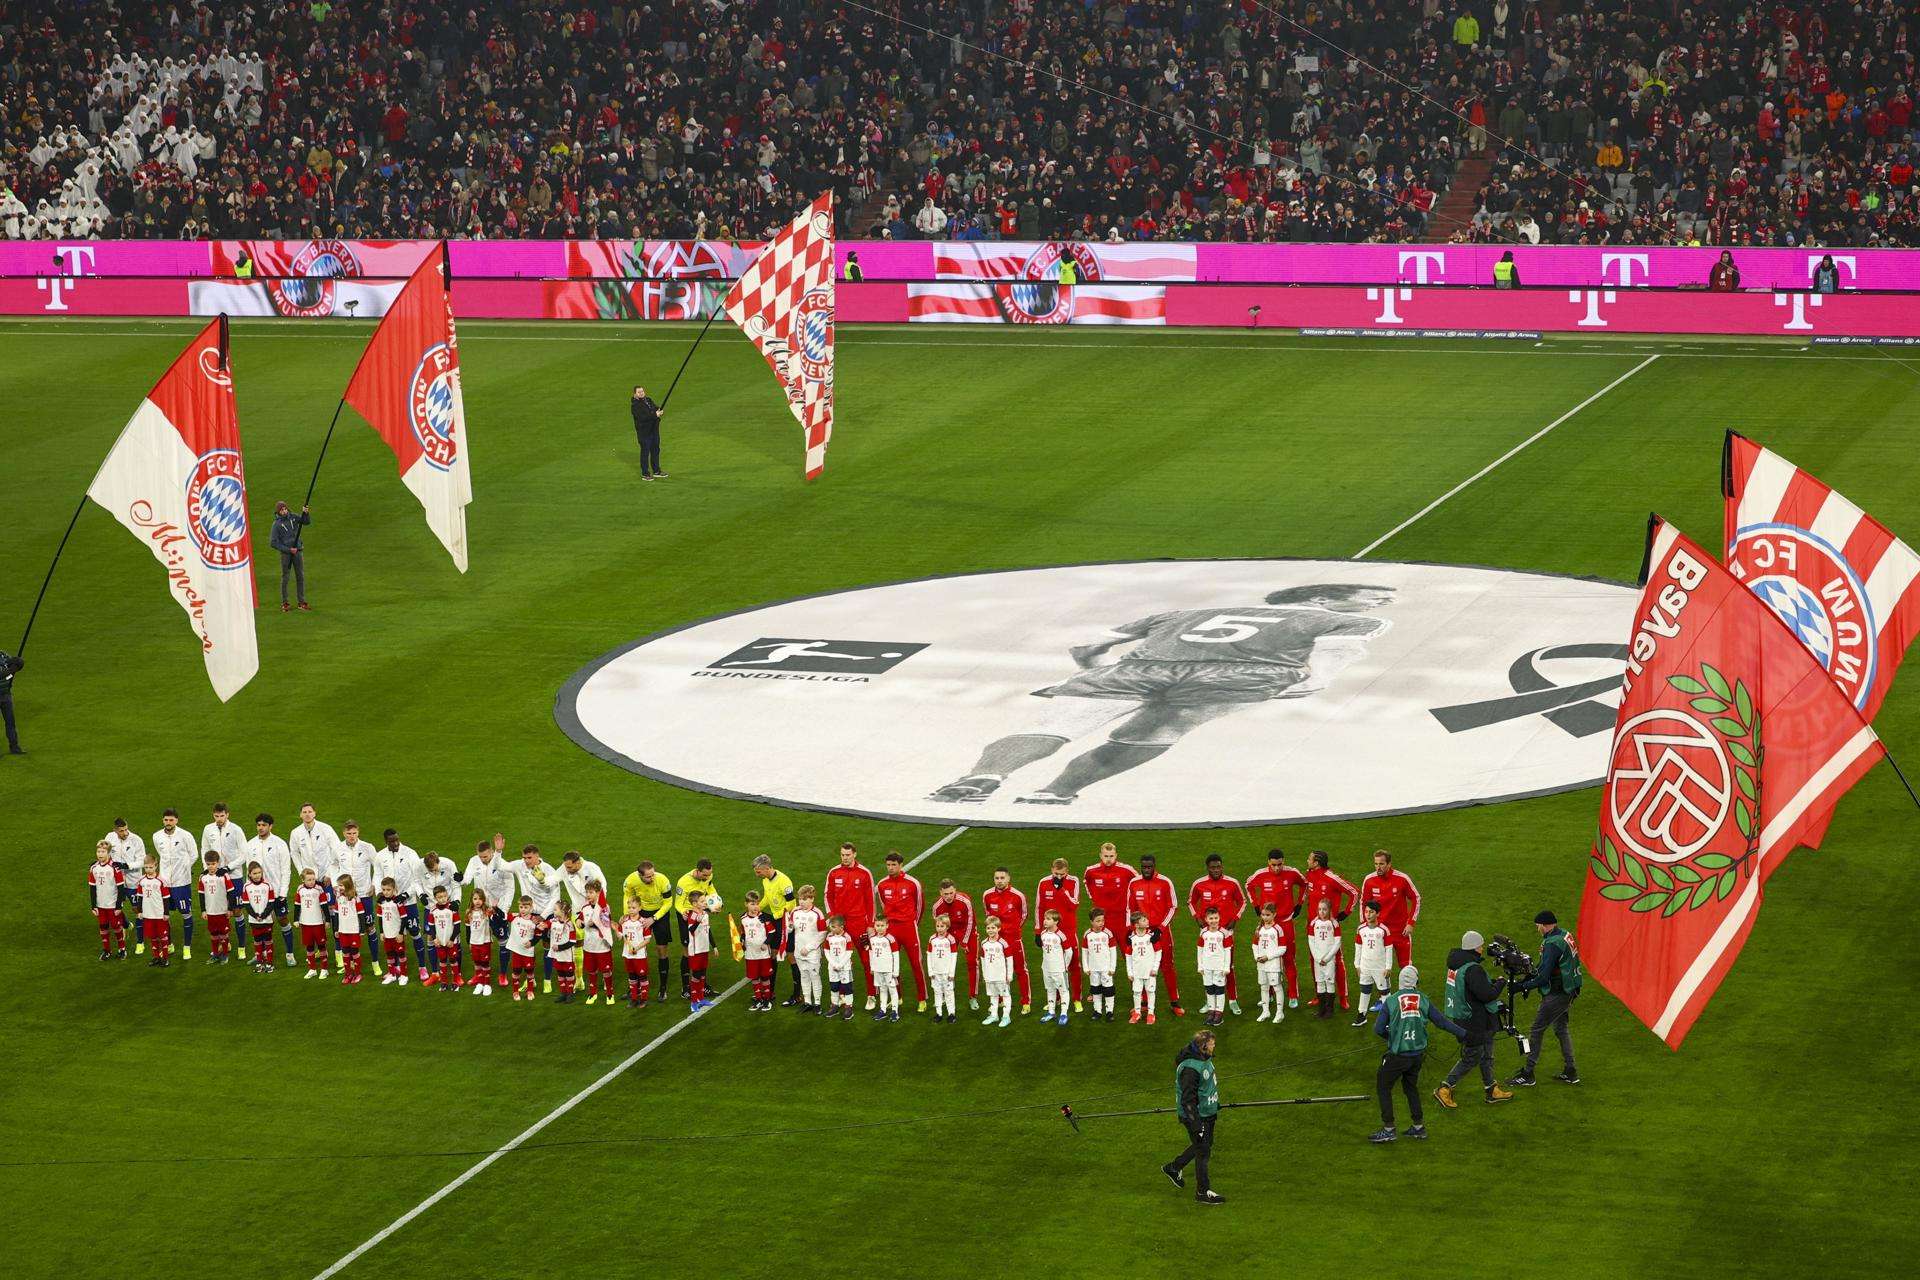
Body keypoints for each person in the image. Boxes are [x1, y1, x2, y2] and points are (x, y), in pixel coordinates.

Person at [927, 584, 1392, 806]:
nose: (1376, 606)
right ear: (1326, 599)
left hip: (1138, 669)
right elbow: (1332, 659)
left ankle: (985, 777)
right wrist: (1306, 683)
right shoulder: (1339, 620)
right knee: (1159, 729)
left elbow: (1089, 647)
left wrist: (1095, 673)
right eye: (1370, 599)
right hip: (1245, 675)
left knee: (1054, 726)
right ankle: (1056, 792)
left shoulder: (1185, 610)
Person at [1370, 965, 1464, 1143]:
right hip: (1417, 1056)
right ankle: (1418, 1126)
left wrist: (1391, 1037)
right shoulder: (1423, 999)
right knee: (1410, 1088)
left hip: (1398, 1056)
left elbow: (1378, 1028)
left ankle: (1389, 1128)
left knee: (1383, 1086)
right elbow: (1442, 1022)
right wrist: (1464, 1034)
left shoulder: (1391, 1001)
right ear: (1415, 982)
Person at [1437, 930, 1514, 1107]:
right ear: (1474, 948)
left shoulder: (1455, 965)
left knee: (1487, 1054)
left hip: (1463, 1017)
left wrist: (1489, 983)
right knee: (1472, 1056)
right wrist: (1501, 983)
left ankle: (1491, 1089)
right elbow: (1487, 995)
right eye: (1480, 945)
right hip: (1474, 1020)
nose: (1482, 948)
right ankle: (1444, 1088)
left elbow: (1471, 989)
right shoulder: (1473, 969)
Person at [1511, 909, 1582, 1087]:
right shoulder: (1565, 934)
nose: (1537, 929)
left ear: (1543, 925)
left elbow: (1543, 977)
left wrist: (1521, 986)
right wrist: (1529, 978)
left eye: (1538, 926)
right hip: (1570, 989)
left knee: (1536, 1030)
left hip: (1558, 993)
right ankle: (1571, 1071)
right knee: (1561, 1028)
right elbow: (1546, 968)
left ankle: (1528, 1073)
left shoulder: (1552, 944)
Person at [1163, 1029, 1226, 1205]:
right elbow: (1188, 1100)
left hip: (1207, 1113)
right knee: (1203, 1151)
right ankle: (1202, 1192)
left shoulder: (1203, 1058)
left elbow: (1205, 1088)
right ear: (1203, 1046)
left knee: (1204, 1145)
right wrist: (1197, 1125)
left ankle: (1173, 1168)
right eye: (1212, 1043)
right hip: (1196, 1117)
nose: (1214, 1046)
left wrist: (1213, 1104)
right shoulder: (1190, 1068)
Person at [1246, 850, 1307, 1007]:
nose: (1277, 868)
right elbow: (1248, 885)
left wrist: (1299, 904)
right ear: (1268, 862)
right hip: (1266, 924)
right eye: (1273, 865)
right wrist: (1255, 905)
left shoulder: (1292, 873)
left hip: (1285, 922)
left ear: (1283, 861)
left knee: (1288, 959)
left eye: (1280, 864)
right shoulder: (1260, 874)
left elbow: (1305, 884)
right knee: (1266, 958)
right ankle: (1270, 994)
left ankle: (1293, 994)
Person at [1188, 854, 1246, 1014]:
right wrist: (1197, 918)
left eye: (1218, 867)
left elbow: (1242, 902)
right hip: (1207, 933)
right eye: (1212, 867)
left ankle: (1233, 1000)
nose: (1216, 870)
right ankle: (1210, 1001)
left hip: (1226, 933)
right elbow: (1190, 902)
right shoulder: (1199, 884)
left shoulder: (1232, 883)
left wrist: (1235, 919)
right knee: (1207, 967)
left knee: (1228, 966)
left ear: (1222, 866)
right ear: (1207, 868)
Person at [1126, 854, 1183, 1016]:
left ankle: (1174, 1001)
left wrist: (1161, 928)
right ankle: (1144, 1002)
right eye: (1144, 867)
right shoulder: (1134, 883)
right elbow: (1129, 909)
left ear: (1154, 866)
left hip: (1161, 933)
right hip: (1140, 934)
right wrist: (1131, 930)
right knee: (1141, 966)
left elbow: (1173, 907)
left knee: (1167, 966)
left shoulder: (1165, 882)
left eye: (1149, 867)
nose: (1146, 870)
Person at [824, 843, 877, 1005]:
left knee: (867, 960)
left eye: (848, 855)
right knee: (839, 959)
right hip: (840, 925)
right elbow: (828, 896)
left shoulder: (864, 873)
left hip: (859, 923)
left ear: (854, 854)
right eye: (842, 855)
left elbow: (871, 900)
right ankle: (841, 995)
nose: (845, 858)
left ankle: (871, 995)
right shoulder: (834, 873)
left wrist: (871, 924)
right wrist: (833, 919)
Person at [1305, 851, 1357, 1007]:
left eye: (1309, 858)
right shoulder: (1309, 875)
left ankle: (1343, 998)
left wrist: (1346, 912)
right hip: (1312, 927)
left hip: (1330, 929)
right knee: (1315, 959)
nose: (1307, 860)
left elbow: (1354, 892)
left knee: (1337, 961)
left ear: (1316, 862)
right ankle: (1319, 995)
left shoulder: (1332, 878)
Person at [877, 851, 927, 1010]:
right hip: (891, 929)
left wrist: (913, 924)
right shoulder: (882, 884)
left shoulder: (913, 883)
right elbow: (883, 906)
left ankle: (922, 999)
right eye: (888, 865)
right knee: (891, 965)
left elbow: (920, 906)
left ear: (901, 865)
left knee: (916, 963)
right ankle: (897, 997)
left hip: (909, 928)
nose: (890, 868)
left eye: (893, 865)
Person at [245, 813, 296, 966]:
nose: (260, 828)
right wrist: (249, 890)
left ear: (270, 826)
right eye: (259, 825)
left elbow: (286, 870)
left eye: (264, 825)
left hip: (276, 891)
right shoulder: (251, 844)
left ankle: (290, 954)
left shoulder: (279, 844)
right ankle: (259, 954)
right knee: (258, 922)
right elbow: (249, 869)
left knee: (282, 920)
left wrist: (283, 892)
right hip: (258, 893)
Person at [621, 859, 676, 999]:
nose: (652, 878)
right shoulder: (631, 880)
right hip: (642, 912)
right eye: (648, 876)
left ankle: (663, 988)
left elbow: (668, 902)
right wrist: (627, 913)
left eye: (653, 874)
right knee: (634, 947)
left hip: (660, 914)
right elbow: (627, 895)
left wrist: (654, 918)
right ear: (640, 876)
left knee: (661, 949)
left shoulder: (663, 880)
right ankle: (635, 986)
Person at [750, 854, 799, 1004]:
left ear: (767, 868)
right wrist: (759, 907)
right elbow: (767, 897)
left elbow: (791, 903)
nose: (757, 874)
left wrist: (775, 916)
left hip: (787, 922)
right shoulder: (766, 880)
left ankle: (797, 995)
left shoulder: (784, 881)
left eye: (758, 872)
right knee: (773, 954)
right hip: (777, 920)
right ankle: (770, 991)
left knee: (791, 956)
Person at [1034, 859, 1083, 1010]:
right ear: (1051, 870)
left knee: (1073, 964)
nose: (1059, 877)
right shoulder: (1043, 883)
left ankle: (1076, 999)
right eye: (1056, 874)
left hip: (1068, 930)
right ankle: (1055, 999)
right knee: (1051, 965)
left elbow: (1074, 905)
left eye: (1062, 874)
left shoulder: (1074, 881)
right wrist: (1038, 931)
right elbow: (1039, 908)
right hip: (1049, 933)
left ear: (1067, 872)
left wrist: (1061, 890)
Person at [1358, 850, 1420, 968]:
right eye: (1376, 864)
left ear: (1389, 864)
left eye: (1381, 864)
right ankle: (1384, 987)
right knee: (1381, 967)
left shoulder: (1402, 879)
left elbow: (1416, 898)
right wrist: (1365, 924)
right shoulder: (1369, 880)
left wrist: (1411, 923)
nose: (1378, 867)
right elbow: (1363, 903)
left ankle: (1410, 986)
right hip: (1380, 931)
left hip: (1401, 931)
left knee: (1406, 966)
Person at [982, 868, 1032, 1014]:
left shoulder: (1018, 896)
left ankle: (1026, 1001)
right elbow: (988, 916)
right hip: (996, 941)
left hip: (1013, 939)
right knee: (997, 969)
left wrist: (1013, 930)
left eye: (1002, 878)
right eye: (997, 878)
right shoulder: (987, 895)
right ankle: (1000, 1000)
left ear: (1008, 878)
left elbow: (1024, 915)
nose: (999, 881)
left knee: (1021, 969)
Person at [152, 808, 199, 961]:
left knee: (186, 913)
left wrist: (185, 869)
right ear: (162, 820)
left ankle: (187, 948)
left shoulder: (185, 835)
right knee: (164, 915)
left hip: (182, 883)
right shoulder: (157, 836)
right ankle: (169, 944)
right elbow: (161, 854)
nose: (168, 823)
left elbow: (194, 854)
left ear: (177, 820)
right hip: (164, 882)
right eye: (166, 820)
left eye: (171, 820)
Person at [674, 857, 719, 999]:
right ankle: (686, 988)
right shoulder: (683, 882)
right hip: (687, 916)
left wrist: (716, 902)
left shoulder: (708, 876)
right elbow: (678, 903)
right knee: (688, 950)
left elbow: (711, 888)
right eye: (704, 875)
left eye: (709, 874)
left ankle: (703, 986)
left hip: (701, 911)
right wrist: (683, 913)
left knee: (703, 948)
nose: (707, 877)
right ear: (697, 871)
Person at [930, 879, 978, 1010]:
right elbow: (938, 925)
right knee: (943, 964)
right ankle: (944, 995)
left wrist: (965, 941)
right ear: (941, 892)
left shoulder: (965, 901)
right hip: (949, 934)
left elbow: (971, 922)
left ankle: (973, 996)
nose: (949, 896)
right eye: (945, 894)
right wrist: (944, 940)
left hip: (966, 932)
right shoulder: (937, 906)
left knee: (972, 963)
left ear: (955, 890)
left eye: (951, 893)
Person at [1352, 903, 1393, 1025]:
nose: (1368, 915)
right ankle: (1361, 1015)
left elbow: (1389, 948)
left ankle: (1389, 1019)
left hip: (1380, 968)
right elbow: (1358, 947)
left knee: (1384, 992)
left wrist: (1388, 967)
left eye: (1371, 912)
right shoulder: (1360, 929)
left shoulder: (1383, 930)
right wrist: (1357, 965)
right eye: (1366, 912)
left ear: (1378, 913)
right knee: (1365, 990)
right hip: (1365, 967)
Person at [789, 886, 828, 1013]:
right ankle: (807, 1002)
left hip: (812, 953)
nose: (801, 902)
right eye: (800, 899)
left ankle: (817, 1003)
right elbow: (790, 928)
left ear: (812, 899)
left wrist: (809, 947)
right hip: (798, 951)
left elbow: (822, 934)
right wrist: (788, 926)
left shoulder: (817, 913)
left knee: (814, 976)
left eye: (804, 899)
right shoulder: (795, 911)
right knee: (804, 976)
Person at [269, 501, 312, 612]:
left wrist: (305, 513)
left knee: (300, 576)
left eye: (285, 509)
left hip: (298, 551)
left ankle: (301, 602)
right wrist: (288, 550)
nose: (284, 511)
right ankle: (285, 603)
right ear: (278, 512)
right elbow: (273, 543)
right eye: (282, 510)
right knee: (286, 578)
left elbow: (306, 522)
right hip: (286, 555)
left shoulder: (293, 517)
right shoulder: (276, 525)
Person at [87, 842, 128, 959]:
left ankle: (122, 949)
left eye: (103, 852)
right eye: (98, 851)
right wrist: (93, 905)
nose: (100, 854)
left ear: (109, 853)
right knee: (103, 927)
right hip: (100, 905)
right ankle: (106, 950)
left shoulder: (114, 868)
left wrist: (119, 906)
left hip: (112, 905)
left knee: (116, 927)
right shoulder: (93, 868)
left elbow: (121, 888)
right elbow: (92, 887)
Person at [737, 890, 777, 1011]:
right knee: (754, 978)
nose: (755, 906)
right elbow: (743, 932)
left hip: (763, 953)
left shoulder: (763, 918)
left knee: (765, 977)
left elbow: (772, 932)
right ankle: (759, 999)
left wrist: (766, 943)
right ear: (746, 904)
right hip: (750, 954)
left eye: (756, 904)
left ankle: (767, 1000)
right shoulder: (743, 918)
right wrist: (742, 940)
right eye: (752, 904)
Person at [1036, 909, 1075, 1025]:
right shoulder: (1043, 934)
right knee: (1050, 989)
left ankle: (1063, 1014)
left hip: (1058, 969)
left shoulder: (1060, 935)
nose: (1045, 921)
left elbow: (1069, 952)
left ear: (1056, 921)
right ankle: (1051, 1012)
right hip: (1046, 968)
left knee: (1063, 991)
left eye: (1048, 919)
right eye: (1045, 918)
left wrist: (1065, 966)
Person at [292, 868, 331, 979]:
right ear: (303, 880)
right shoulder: (300, 889)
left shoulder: (319, 889)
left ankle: (324, 969)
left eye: (313, 879)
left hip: (318, 922)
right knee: (309, 947)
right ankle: (312, 969)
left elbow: (324, 906)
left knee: (321, 946)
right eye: (309, 879)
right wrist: (296, 919)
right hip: (305, 923)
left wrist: (327, 920)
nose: (311, 881)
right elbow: (297, 905)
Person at [1196, 907, 1232, 1026]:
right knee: (1209, 989)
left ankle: (1219, 1013)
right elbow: (1200, 950)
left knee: (1219, 989)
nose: (1213, 920)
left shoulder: (1224, 933)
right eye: (1211, 918)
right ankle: (1211, 1011)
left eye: (1216, 918)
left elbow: (1227, 951)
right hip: (1206, 967)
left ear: (1219, 918)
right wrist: (1200, 966)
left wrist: (1226, 967)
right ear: (1206, 919)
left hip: (1219, 967)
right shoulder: (1203, 932)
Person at [1306, 899, 1343, 1017]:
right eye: (1320, 909)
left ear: (1329, 910)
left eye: (1324, 909)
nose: (1321, 912)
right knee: (1320, 982)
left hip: (1329, 959)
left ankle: (1329, 1010)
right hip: (1318, 959)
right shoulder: (1313, 923)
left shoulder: (1334, 923)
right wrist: (1317, 958)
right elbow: (1311, 941)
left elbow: (1337, 942)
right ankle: (1321, 1010)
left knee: (1330, 982)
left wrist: (1327, 958)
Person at [1126, 911, 1164, 1024]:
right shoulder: (1131, 938)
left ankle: (1151, 1013)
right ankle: (1137, 1012)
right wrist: (1130, 971)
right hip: (1137, 971)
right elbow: (1128, 955)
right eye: (1144, 920)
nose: (1147, 921)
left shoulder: (1151, 937)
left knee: (1150, 991)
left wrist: (1155, 968)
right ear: (1136, 925)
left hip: (1149, 971)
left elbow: (1159, 952)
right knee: (1137, 992)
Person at [1251, 902, 1286, 1023]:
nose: (1265, 917)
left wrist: (1268, 957)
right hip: (1261, 964)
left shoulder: (1278, 929)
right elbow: (1254, 945)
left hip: (1273, 964)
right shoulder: (1259, 929)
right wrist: (1257, 957)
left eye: (1268, 915)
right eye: (1263, 915)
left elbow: (1283, 948)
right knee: (1264, 987)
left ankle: (1279, 1012)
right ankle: (1265, 1011)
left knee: (1276, 987)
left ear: (1274, 915)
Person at [580, 884, 615, 1004]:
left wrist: (592, 924)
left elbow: (606, 923)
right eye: (587, 892)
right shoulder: (584, 908)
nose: (588, 895)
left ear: (598, 893)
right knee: (591, 970)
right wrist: (579, 921)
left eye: (591, 892)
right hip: (589, 945)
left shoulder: (604, 907)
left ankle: (610, 994)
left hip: (602, 946)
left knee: (606, 971)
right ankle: (592, 993)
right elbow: (580, 919)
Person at [1082, 908, 1118, 1023]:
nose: (1101, 923)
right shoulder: (1087, 934)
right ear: (1091, 921)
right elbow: (1084, 952)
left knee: (1108, 990)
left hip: (1106, 968)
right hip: (1093, 968)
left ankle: (1109, 1011)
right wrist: (1086, 967)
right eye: (1098, 921)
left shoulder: (1108, 933)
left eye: (1102, 920)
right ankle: (1097, 1011)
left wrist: (1112, 967)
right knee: (1095, 990)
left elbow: (1113, 951)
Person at [240, 863, 278, 971]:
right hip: (254, 920)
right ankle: (259, 962)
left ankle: (270, 963)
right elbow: (246, 904)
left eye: (259, 873)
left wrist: (264, 915)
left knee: (268, 940)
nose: (257, 875)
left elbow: (271, 902)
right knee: (257, 941)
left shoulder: (267, 885)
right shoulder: (246, 886)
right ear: (250, 874)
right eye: (254, 873)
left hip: (267, 919)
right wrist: (255, 916)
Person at [200, 853, 237, 965]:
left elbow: (231, 892)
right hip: (210, 911)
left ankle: (225, 955)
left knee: (223, 934)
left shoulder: (223, 875)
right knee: (213, 934)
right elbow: (201, 894)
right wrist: (203, 910)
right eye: (208, 864)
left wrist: (230, 909)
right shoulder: (203, 877)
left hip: (222, 910)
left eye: (213, 864)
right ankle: (215, 954)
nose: (211, 866)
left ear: (218, 863)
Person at [978, 916, 1015, 1027]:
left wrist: (1009, 975)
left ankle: (1006, 1016)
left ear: (998, 928)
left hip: (1001, 976)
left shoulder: (1003, 943)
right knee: (993, 996)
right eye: (988, 928)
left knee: (1005, 995)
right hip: (990, 975)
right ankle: (994, 1015)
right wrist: (985, 975)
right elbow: (983, 960)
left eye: (993, 928)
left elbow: (1009, 959)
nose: (990, 930)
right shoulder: (984, 943)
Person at [134, 856, 170, 966]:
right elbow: (140, 897)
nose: (148, 870)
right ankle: (155, 957)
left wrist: (166, 913)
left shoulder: (161, 881)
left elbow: (166, 898)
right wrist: (139, 911)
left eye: (150, 867)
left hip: (159, 914)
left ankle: (165, 958)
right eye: (146, 867)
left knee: (163, 937)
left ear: (156, 866)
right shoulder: (141, 881)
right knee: (153, 936)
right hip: (148, 914)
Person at [376, 878, 412, 985]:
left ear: (394, 889)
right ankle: (392, 975)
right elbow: (380, 918)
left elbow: (404, 918)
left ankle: (404, 975)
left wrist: (401, 933)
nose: (386, 892)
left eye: (388, 889)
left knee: (401, 954)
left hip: (397, 933)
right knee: (389, 954)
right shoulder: (381, 902)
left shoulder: (398, 901)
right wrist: (382, 932)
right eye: (384, 889)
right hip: (387, 934)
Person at [505, 896, 541, 999]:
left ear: (531, 907)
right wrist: (495, 907)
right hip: (517, 952)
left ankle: (530, 991)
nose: (523, 910)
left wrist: (532, 942)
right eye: (521, 907)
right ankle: (515, 992)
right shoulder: (515, 917)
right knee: (516, 972)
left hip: (528, 952)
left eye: (525, 907)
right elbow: (503, 916)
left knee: (529, 971)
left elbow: (539, 935)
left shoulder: (534, 921)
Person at [823, 915, 858, 1019]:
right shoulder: (829, 936)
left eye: (834, 927)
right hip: (832, 967)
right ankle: (834, 1006)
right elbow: (826, 951)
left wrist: (840, 964)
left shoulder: (846, 937)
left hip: (844, 967)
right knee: (834, 987)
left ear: (841, 927)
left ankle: (848, 1008)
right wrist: (833, 963)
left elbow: (849, 952)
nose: (831, 928)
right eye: (830, 926)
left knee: (847, 987)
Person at [866, 919, 901, 1021]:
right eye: (878, 925)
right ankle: (883, 1010)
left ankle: (895, 1011)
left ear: (887, 926)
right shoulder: (872, 938)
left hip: (889, 970)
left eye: (882, 925)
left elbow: (896, 955)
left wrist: (895, 971)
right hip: (877, 969)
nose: (880, 927)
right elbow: (871, 954)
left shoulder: (890, 939)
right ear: (874, 926)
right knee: (882, 989)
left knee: (892, 990)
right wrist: (872, 967)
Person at [928, 915, 961, 1022]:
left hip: (946, 972)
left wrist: (951, 973)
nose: (940, 928)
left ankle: (951, 1013)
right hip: (935, 972)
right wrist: (930, 970)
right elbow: (929, 955)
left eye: (942, 926)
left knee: (949, 992)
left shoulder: (950, 939)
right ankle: (939, 1013)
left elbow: (954, 956)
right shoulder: (932, 939)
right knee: (937, 992)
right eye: (938, 926)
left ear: (947, 926)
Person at [430, 886, 463, 989]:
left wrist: (452, 939)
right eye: (440, 897)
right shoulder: (433, 910)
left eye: (445, 896)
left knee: (453, 960)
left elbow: (457, 926)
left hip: (451, 941)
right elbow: (431, 926)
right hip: (440, 942)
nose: (443, 898)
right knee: (443, 961)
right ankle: (443, 981)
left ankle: (456, 979)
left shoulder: (452, 909)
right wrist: (435, 938)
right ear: (435, 898)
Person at [630, 385, 666, 480]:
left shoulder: (648, 400)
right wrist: (655, 414)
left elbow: (654, 408)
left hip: (654, 431)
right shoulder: (635, 406)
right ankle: (645, 474)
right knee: (645, 452)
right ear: (635, 394)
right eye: (639, 392)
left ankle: (656, 471)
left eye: (642, 391)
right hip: (644, 433)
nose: (641, 393)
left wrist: (658, 410)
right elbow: (643, 417)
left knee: (655, 450)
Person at [618, 900, 650, 1006]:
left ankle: (644, 999)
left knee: (642, 976)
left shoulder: (643, 922)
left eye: (634, 908)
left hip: (640, 955)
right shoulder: (624, 921)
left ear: (640, 908)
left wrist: (637, 948)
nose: (631, 910)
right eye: (629, 907)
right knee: (632, 976)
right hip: (628, 954)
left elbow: (647, 940)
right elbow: (620, 936)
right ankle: (634, 998)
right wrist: (617, 932)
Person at [333, 873, 364, 984]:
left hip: (353, 930)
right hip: (343, 930)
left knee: (354, 952)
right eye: (338, 885)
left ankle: (357, 973)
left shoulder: (355, 898)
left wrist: (362, 929)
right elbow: (336, 914)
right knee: (345, 952)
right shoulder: (339, 898)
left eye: (341, 885)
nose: (339, 887)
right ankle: (348, 974)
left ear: (347, 885)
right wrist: (336, 929)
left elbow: (361, 914)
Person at [683, 900, 714, 1009]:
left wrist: (714, 946)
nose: (705, 902)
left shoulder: (705, 914)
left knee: (702, 975)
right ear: (695, 904)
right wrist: (697, 921)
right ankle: (693, 1002)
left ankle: (701, 999)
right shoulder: (692, 915)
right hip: (695, 950)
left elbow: (708, 930)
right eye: (702, 901)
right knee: (696, 976)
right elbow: (691, 929)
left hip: (704, 949)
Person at [466, 892, 497, 996]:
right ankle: (480, 983)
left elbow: (493, 922)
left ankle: (487, 985)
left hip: (484, 941)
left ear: (483, 900)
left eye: (480, 899)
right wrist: (469, 942)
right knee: (477, 963)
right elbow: (468, 929)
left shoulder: (486, 912)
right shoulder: (469, 913)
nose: (477, 901)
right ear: (472, 900)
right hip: (474, 942)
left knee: (485, 963)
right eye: (475, 899)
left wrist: (493, 910)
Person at [547, 905, 579, 1003]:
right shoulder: (553, 921)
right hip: (557, 955)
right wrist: (541, 925)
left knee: (569, 975)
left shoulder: (570, 924)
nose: (554, 910)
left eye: (556, 909)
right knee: (560, 974)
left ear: (563, 911)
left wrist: (559, 947)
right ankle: (563, 993)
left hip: (567, 956)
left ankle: (570, 994)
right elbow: (545, 924)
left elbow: (573, 941)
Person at [0, 649, 24, 755]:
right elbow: (2, 674)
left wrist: (18, 664)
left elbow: (8, 675)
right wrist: (10, 671)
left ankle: (14, 747)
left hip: (6, 695)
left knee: (10, 722)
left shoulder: (3, 655)